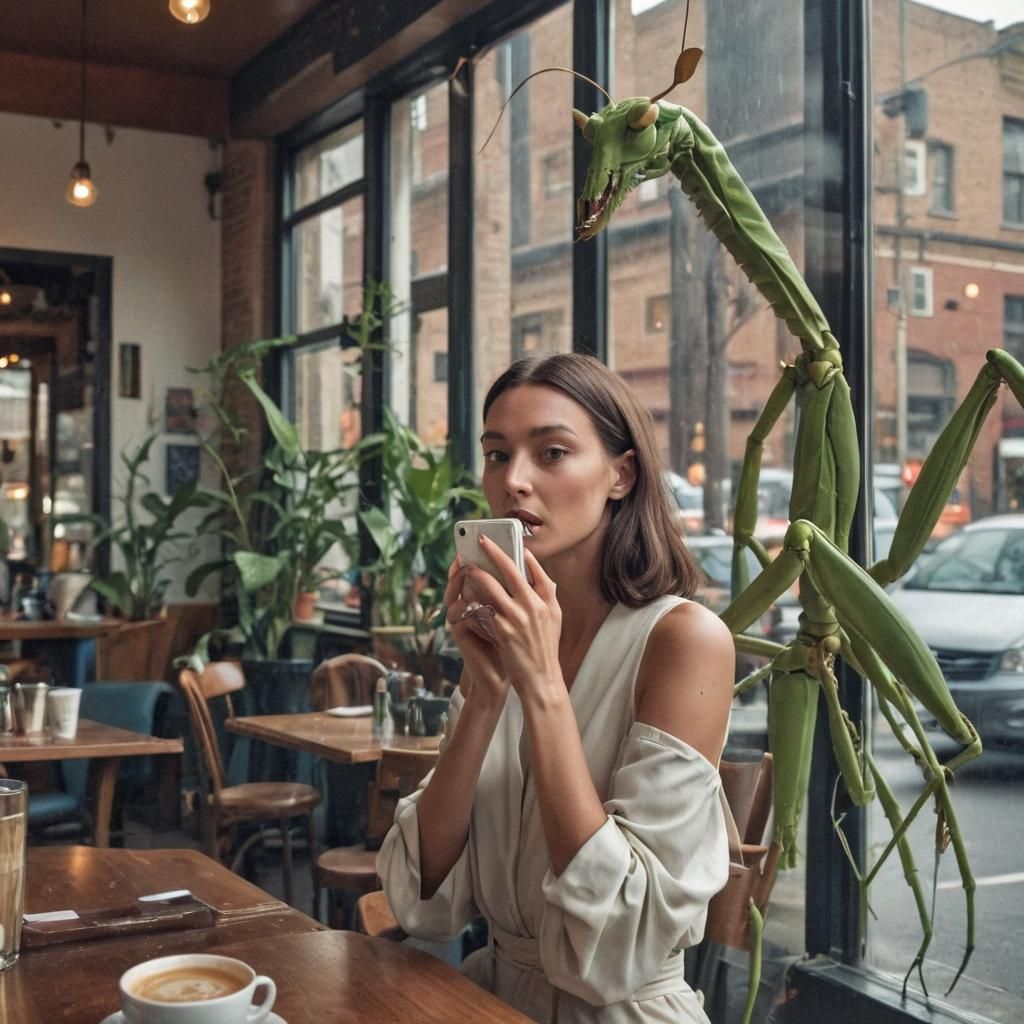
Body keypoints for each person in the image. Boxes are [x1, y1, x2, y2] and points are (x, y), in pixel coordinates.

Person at [378, 353, 735, 1023]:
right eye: (496, 454)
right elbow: (422, 895)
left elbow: (616, 944)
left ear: (621, 474)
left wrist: (541, 686)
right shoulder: (506, 637)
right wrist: (485, 696)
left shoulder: (684, 640)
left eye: (551, 453)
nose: (513, 481)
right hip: (489, 1001)